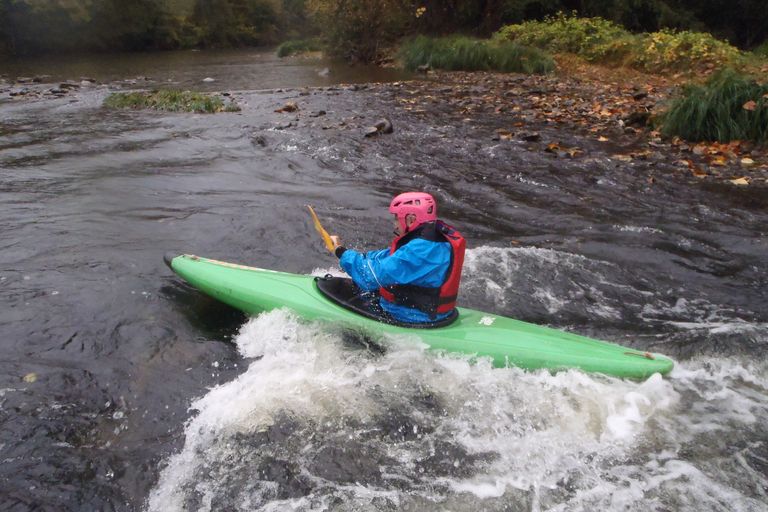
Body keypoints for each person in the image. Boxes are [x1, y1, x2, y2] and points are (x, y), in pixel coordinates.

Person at [330, 192, 466, 324]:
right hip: (433, 312)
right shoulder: (433, 238)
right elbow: (391, 256)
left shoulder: (419, 251)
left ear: (411, 219)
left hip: (412, 316)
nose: (395, 223)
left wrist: (341, 254)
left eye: (396, 218)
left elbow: (370, 277)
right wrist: (356, 256)